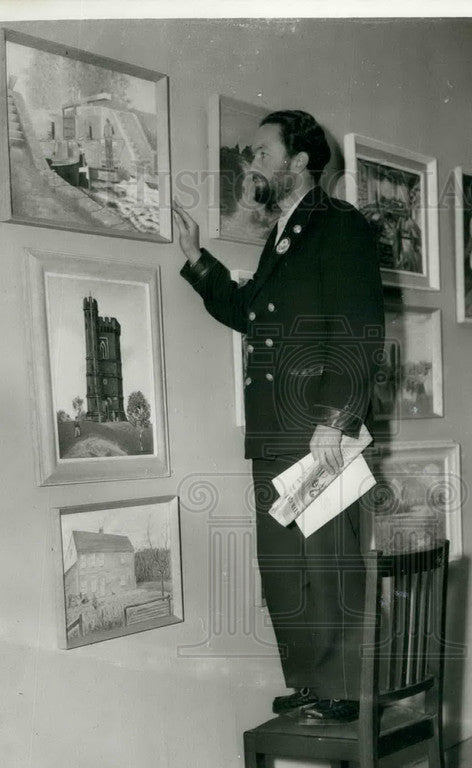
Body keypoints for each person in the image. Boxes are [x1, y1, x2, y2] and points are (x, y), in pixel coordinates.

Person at [172, 109, 384, 723]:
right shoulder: (283, 235)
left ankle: (344, 686)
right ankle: (313, 682)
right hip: (275, 433)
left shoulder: (338, 225)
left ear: (300, 161)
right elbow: (248, 312)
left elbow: (360, 329)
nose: (252, 163)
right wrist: (198, 259)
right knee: (284, 567)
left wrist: (336, 419)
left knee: (329, 563)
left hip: (319, 432)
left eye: (263, 153)